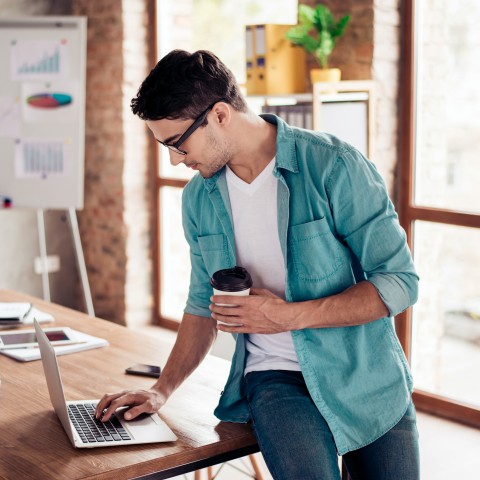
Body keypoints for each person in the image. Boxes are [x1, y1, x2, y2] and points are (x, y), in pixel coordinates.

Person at [96, 49, 420, 480]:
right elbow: (201, 303)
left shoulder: (333, 166)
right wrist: (161, 389)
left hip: (365, 373)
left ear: (221, 115)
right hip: (274, 378)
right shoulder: (199, 199)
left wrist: (285, 316)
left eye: (177, 143)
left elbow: (399, 281)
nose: (175, 159)